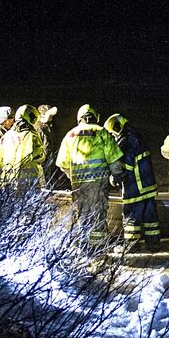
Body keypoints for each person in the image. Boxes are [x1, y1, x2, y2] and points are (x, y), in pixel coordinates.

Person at [55, 104, 124, 249]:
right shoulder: (102, 132)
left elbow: (62, 162)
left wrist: (72, 175)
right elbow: (114, 159)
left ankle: (83, 247)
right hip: (98, 182)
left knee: (81, 215)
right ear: (95, 116)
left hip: (78, 184)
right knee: (98, 214)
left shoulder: (70, 135)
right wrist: (118, 176)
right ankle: (98, 249)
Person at [104, 113, 161, 250]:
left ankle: (131, 246)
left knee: (131, 218)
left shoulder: (126, 141)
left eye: (112, 133)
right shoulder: (137, 136)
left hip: (135, 187)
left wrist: (115, 176)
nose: (113, 136)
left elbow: (126, 165)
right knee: (150, 218)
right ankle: (153, 244)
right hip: (148, 186)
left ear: (117, 128)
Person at [0, 104, 45, 189]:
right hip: (29, 182)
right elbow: (39, 156)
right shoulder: (31, 136)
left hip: (8, 181)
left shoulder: (6, 136)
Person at [37, 104, 60, 186]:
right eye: (50, 115)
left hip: (48, 161)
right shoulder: (40, 128)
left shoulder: (46, 127)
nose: (52, 118)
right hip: (43, 163)